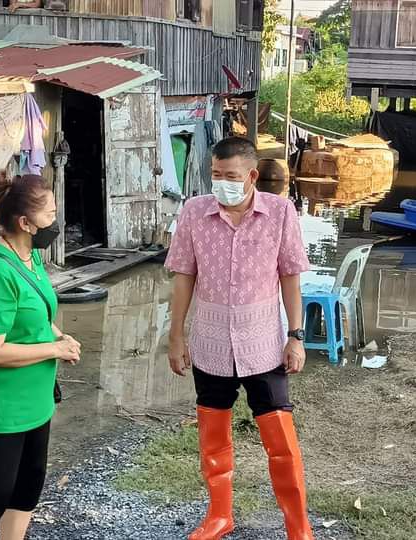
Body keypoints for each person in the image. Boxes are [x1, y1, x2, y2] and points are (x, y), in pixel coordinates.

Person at [166, 137, 314, 540]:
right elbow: (183, 277)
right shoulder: (195, 212)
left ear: (251, 176)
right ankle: (219, 515)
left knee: (280, 440)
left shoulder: (280, 212)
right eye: (216, 174)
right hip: (211, 342)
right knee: (213, 435)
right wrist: (176, 337)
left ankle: (298, 526)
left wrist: (296, 336)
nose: (222, 183)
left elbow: (290, 276)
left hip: (263, 343)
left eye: (230, 176)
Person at [0, 173, 81, 540]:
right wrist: (54, 349)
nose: (56, 222)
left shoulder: (30, 257)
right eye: (50, 215)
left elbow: (35, 314)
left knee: (27, 485)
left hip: (34, 399)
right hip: (0, 404)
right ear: (26, 223)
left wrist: (58, 335)